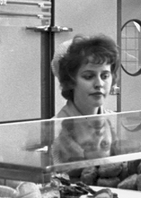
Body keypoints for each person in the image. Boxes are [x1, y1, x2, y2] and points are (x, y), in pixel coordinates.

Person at [50, 34, 119, 162]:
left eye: (105, 76)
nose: (99, 84)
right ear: (71, 81)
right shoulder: (54, 130)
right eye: (88, 76)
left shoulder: (115, 122)